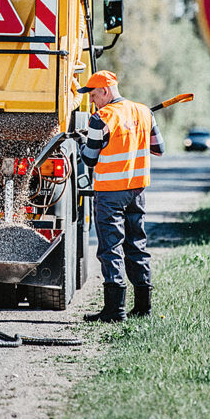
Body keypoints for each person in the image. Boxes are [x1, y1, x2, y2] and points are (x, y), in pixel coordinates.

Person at [77, 70, 164, 322]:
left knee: (111, 248)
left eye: (93, 95)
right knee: (137, 245)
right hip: (137, 192)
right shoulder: (144, 112)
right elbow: (159, 148)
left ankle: (114, 311)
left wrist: (86, 140)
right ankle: (142, 307)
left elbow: (89, 158)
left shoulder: (101, 118)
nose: (92, 101)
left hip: (109, 194)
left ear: (105, 91)